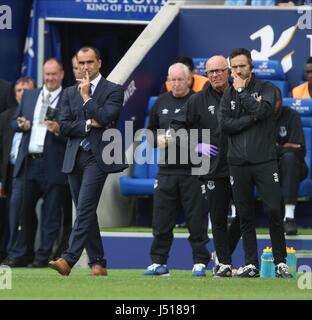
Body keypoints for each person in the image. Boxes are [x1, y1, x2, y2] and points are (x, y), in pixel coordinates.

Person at [49, 46, 127, 276]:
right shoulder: (68, 92)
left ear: (99, 63)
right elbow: (63, 126)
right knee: (86, 209)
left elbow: (105, 117)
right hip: (74, 157)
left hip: (99, 157)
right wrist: (87, 124)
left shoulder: (113, 90)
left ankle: (68, 259)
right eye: (81, 63)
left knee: (83, 207)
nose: (85, 67)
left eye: (89, 62)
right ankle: (98, 262)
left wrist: (86, 98)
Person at [220, 48, 292, 278]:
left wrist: (243, 94)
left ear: (251, 66)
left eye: (242, 66)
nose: (238, 71)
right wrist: (250, 118)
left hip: (265, 160)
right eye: (235, 67)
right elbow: (225, 125)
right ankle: (251, 264)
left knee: (273, 209)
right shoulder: (227, 95)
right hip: (237, 162)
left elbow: (263, 111)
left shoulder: (267, 88)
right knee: (244, 214)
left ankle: (281, 261)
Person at [170, 56, 242, 277]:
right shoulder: (198, 100)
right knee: (218, 217)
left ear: (228, 71)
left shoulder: (240, 95)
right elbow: (174, 128)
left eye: (219, 71)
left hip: (242, 166)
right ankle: (223, 265)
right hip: (213, 168)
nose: (215, 75)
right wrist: (195, 144)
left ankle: (223, 256)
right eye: (210, 72)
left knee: (245, 217)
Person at [143, 62, 211, 277]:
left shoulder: (198, 101)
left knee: (196, 219)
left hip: (193, 169)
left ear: (189, 79)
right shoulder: (160, 101)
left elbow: (205, 134)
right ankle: (158, 262)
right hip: (166, 170)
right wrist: (157, 140)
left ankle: (200, 261)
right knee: (161, 219)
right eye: (172, 79)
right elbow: (149, 132)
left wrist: (180, 140)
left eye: (180, 79)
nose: (176, 83)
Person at [4, 58, 67, 268]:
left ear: (61, 74)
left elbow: (75, 130)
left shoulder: (69, 97)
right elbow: (15, 120)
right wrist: (21, 124)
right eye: (46, 74)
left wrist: (58, 129)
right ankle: (18, 254)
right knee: (19, 208)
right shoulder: (30, 95)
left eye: (53, 74)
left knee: (51, 215)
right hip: (28, 163)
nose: (49, 78)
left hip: (54, 163)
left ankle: (42, 258)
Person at [0, 77, 35, 264]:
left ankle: (28, 252)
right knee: (9, 212)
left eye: (26, 90)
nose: (22, 94)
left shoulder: (40, 114)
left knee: (27, 212)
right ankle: (9, 252)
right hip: (9, 172)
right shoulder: (6, 117)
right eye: (19, 90)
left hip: (32, 169)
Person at [274, 86, 308, 235]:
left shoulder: (292, 115)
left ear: (280, 101)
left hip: (295, 167)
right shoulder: (260, 117)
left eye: (272, 101)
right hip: (268, 166)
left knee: (289, 159)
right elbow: (259, 149)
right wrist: (286, 146)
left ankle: (289, 217)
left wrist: (277, 148)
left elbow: (300, 150)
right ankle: (236, 216)